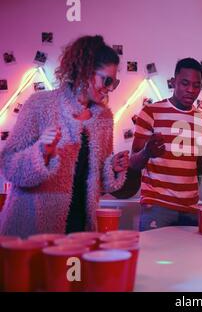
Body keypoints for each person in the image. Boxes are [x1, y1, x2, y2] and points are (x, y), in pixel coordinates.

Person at [0, 35, 129, 237]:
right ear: (85, 71)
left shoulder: (104, 118)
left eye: (114, 82)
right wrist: (41, 154)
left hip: (79, 229)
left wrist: (112, 167)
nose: (109, 88)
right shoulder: (40, 104)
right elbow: (8, 165)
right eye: (107, 80)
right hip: (31, 230)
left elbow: (99, 185)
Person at [130, 58, 202, 231]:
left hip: (190, 209)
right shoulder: (150, 112)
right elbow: (133, 164)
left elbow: (200, 167)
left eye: (196, 85)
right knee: (154, 258)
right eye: (185, 83)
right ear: (173, 82)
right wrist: (147, 152)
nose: (190, 90)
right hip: (157, 206)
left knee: (189, 258)